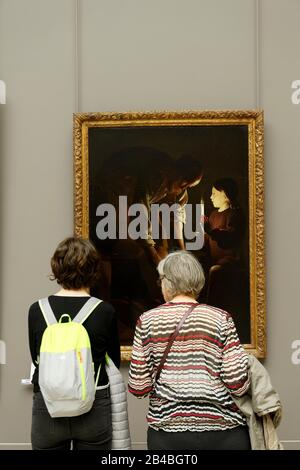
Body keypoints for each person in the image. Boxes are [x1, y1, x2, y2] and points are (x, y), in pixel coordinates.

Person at [128, 250, 251, 450]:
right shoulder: (221, 319)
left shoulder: (147, 321)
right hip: (223, 433)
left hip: (168, 434)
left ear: (168, 282)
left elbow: (138, 387)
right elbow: (237, 383)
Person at [28, 237, 120, 450]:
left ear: (56, 267)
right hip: (93, 405)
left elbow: (36, 357)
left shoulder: (37, 310)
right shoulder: (104, 311)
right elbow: (112, 360)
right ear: (94, 270)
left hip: (48, 406)